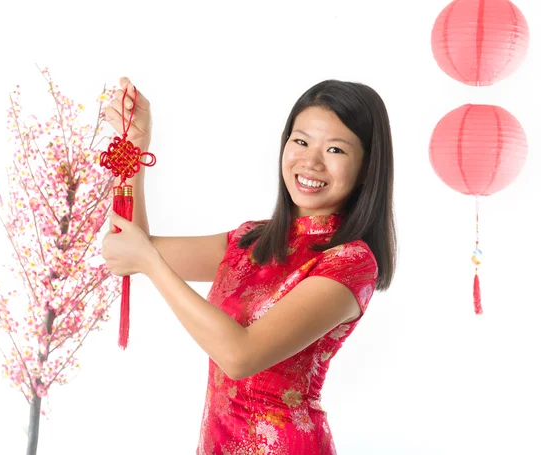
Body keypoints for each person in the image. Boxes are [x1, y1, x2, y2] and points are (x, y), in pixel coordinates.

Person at [102, 76, 396, 454]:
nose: (311, 161)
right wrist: (135, 148)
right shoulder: (252, 240)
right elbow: (128, 249)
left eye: (336, 150)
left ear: (366, 168)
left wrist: (152, 265)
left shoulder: (350, 262)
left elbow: (240, 356)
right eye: (301, 141)